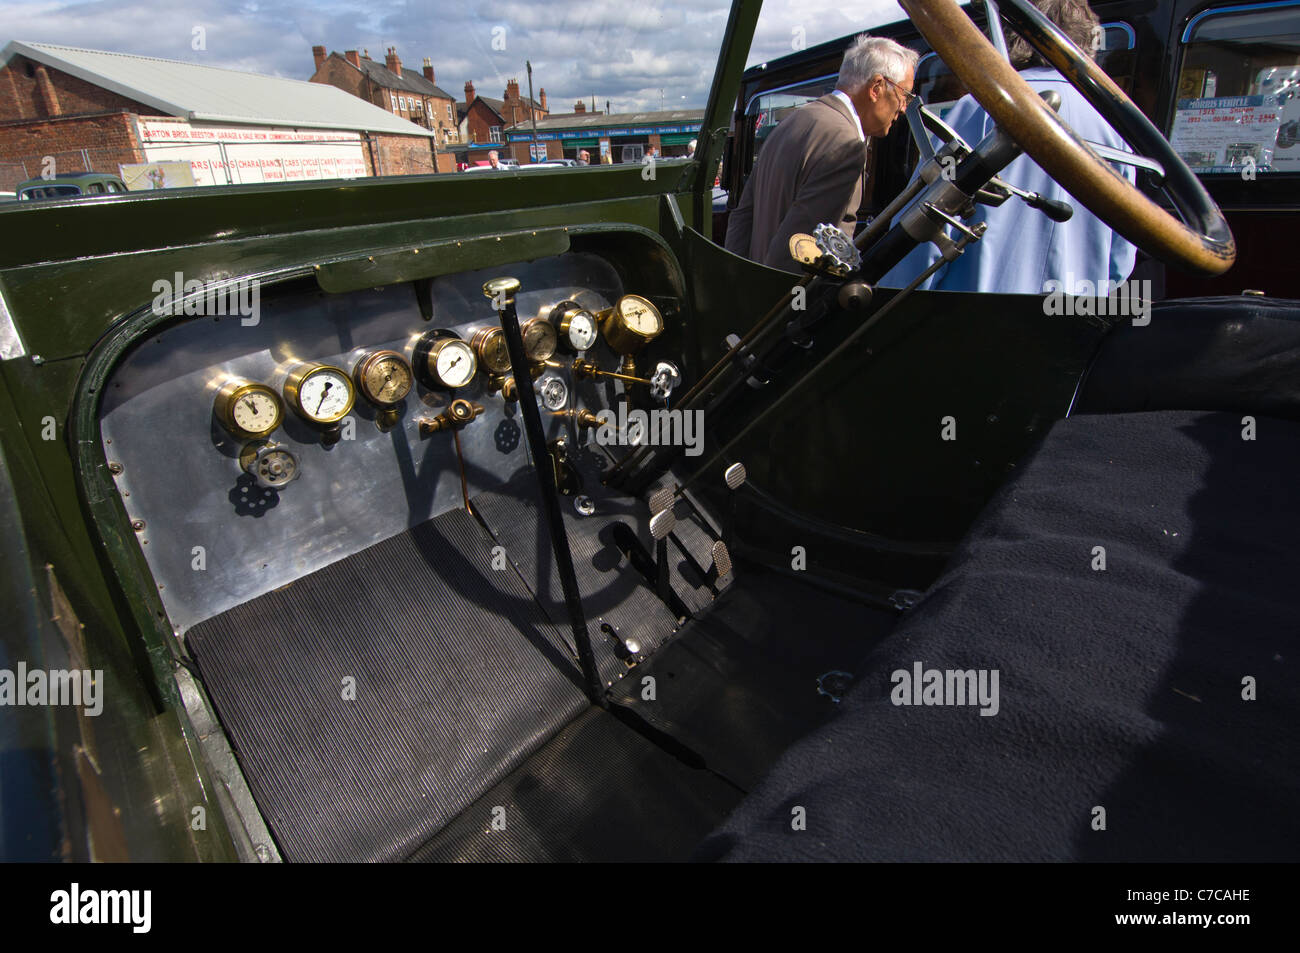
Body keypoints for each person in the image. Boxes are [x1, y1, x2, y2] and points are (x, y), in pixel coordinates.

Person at [878, 0, 1136, 294]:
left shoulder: (980, 109)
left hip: (975, 322)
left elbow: (920, 237)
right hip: (1071, 325)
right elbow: (1119, 263)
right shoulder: (1115, 126)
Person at [724, 34, 918, 273]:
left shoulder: (791, 122)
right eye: (905, 95)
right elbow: (798, 252)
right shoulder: (846, 144)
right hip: (789, 302)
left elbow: (742, 218)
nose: (904, 107)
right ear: (877, 87)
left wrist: (739, 286)